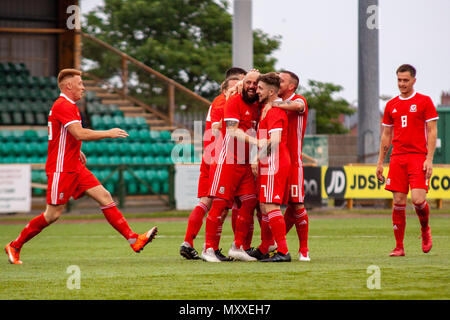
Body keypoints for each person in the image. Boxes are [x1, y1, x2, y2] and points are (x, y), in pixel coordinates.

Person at [5, 69, 157, 265]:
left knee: (105, 196)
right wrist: (108, 133)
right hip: (62, 168)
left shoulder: (70, 106)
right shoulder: (63, 105)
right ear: (69, 86)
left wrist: (77, 151)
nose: (83, 87)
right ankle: (15, 245)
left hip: (74, 165)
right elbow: (79, 133)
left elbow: (69, 135)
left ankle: (134, 240)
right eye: (80, 83)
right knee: (52, 215)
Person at [376, 64, 438, 257]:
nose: (402, 84)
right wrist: (380, 162)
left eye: (405, 80)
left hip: (418, 157)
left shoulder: (424, 102)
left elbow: (432, 130)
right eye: (399, 80)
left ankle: (425, 229)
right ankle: (399, 246)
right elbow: (386, 135)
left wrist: (429, 159)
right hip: (397, 159)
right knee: (398, 201)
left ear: (413, 80)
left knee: (419, 201)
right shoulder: (391, 105)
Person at [202, 70, 264, 262]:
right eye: (249, 82)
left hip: (244, 162)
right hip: (227, 160)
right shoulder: (234, 101)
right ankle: (209, 249)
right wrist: (257, 143)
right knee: (219, 205)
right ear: (243, 84)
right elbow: (232, 131)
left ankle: (237, 247)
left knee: (249, 201)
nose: (252, 86)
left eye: (256, 83)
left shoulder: (256, 105)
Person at [179, 75, 241, 260]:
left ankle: (189, 242)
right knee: (221, 205)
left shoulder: (218, 101)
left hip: (211, 155)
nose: (241, 88)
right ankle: (211, 248)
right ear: (225, 88)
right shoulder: (224, 102)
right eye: (238, 85)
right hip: (219, 157)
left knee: (206, 201)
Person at [249, 72, 292, 262]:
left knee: (271, 205)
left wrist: (256, 157)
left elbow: (274, 141)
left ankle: (283, 251)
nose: (256, 91)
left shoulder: (275, 111)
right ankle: (265, 247)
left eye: (260, 88)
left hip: (275, 162)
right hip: (269, 162)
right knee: (264, 206)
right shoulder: (266, 109)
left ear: (272, 91)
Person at [269, 70, 309, 261]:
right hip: (275, 162)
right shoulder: (274, 102)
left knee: (297, 204)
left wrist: (274, 103)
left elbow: (298, 105)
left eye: (281, 80)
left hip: (293, 163)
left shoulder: (298, 100)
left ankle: (304, 250)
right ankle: (272, 244)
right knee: (271, 205)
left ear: (291, 86)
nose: (278, 81)